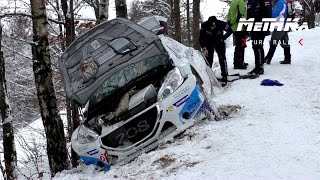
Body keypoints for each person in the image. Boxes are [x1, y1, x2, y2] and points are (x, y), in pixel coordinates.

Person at [199, 16, 232, 85]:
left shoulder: (221, 23)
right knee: (209, 59)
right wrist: (204, 48)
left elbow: (230, 30)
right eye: (211, 27)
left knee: (222, 58)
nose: (212, 28)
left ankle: (224, 75)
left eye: (214, 26)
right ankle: (209, 76)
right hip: (209, 43)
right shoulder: (204, 25)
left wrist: (223, 37)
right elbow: (201, 38)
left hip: (219, 41)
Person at [247, 0, 272, 75]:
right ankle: (257, 66)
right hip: (253, 26)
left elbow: (269, 13)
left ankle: (260, 67)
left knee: (258, 45)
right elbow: (249, 14)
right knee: (255, 46)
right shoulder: (250, 1)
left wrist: (266, 27)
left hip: (261, 26)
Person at [264, 0, 292, 64]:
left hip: (279, 25)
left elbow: (277, 13)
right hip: (283, 24)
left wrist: (270, 17)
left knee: (273, 41)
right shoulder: (282, 2)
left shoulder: (280, 2)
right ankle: (287, 59)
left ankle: (268, 58)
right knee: (285, 42)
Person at [227, 0, 248, 69]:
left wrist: (230, 22)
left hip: (234, 27)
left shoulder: (233, 2)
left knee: (239, 45)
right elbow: (241, 15)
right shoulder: (241, 2)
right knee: (241, 45)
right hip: (240, 26)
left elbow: (229, 14)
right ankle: (239, 63)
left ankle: (238, 62)